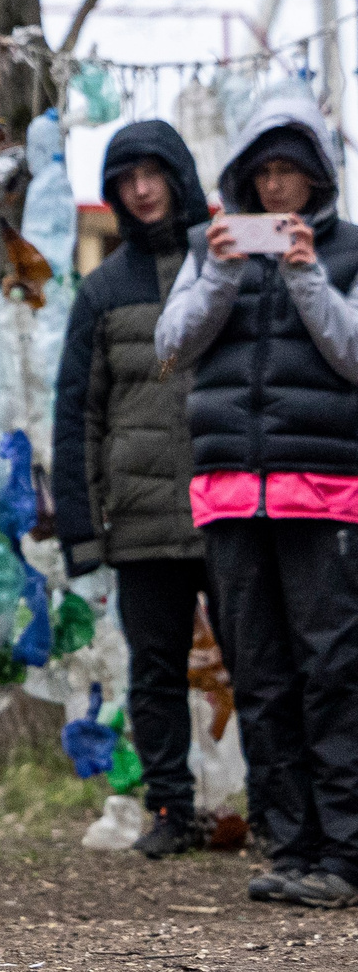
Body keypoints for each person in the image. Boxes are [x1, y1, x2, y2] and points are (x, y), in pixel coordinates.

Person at [156, 90, 358, 908]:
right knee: (261, 675)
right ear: (245, 178)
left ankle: (346, 853)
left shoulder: (348, 251)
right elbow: (172, 346)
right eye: (265, 173)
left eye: (292, 174)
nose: (277, 191)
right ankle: (292, 844)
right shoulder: (213, 251)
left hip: (327, 492)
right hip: (231, 493)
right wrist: (222, 275)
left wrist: (308, 276)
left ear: (317, 179)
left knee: (334, 669)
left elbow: (353, 357)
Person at [50, 120, 214, 860]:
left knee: (262, 662)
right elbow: (77, 414)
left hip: (231, 507)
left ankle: (285, 810)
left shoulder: (225, 267)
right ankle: (172, 809)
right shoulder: (102, 291)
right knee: (153, 670)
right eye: (126, 179)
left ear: (179, 176)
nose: (141, 190)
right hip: (144, 518)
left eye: (153, 174)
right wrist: (83, 530)